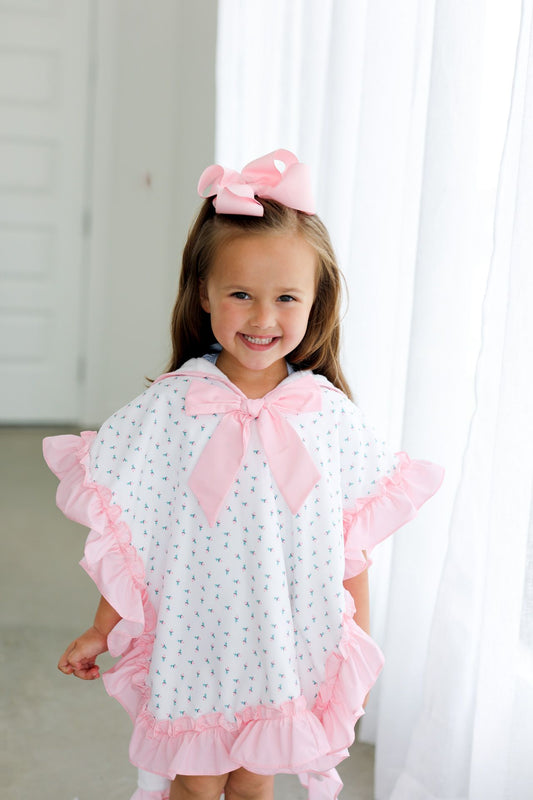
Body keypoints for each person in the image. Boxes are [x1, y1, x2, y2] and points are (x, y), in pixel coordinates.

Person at [43, 150, 443, 800]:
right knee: (197, 784)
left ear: (317, 301)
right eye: (240, 295)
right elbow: (132, 534)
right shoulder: (172, 408)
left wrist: (356, 643)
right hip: (197, 637)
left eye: (286, 297)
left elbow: (351, 542)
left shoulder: (327, 416)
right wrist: (101, 626)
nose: (262, 319)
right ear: (203, 293)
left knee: (256, 780)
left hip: (280, 642)